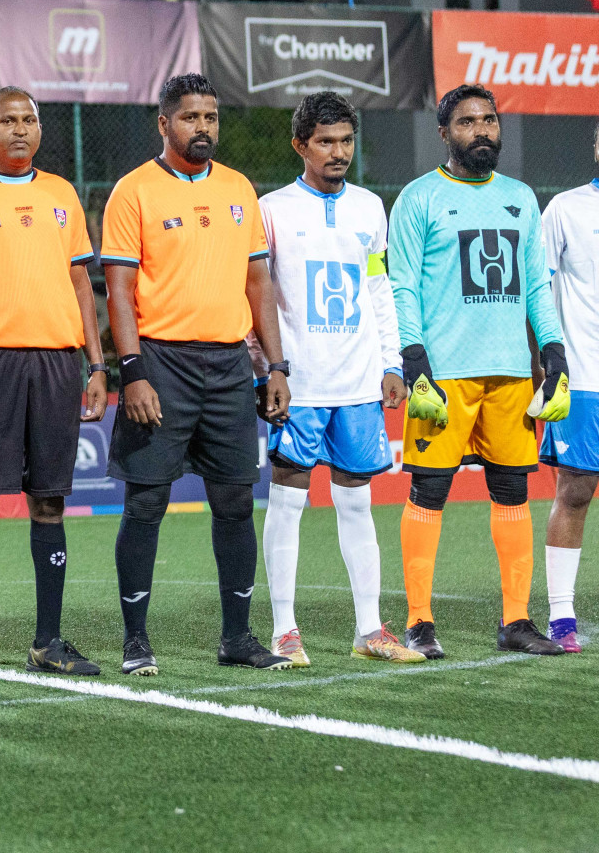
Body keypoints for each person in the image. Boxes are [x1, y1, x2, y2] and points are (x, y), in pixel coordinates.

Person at [100, 73, 293, 676]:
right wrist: (130, 372)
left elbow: (259, 284)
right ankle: (136, 639)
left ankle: (237, 637)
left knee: (235, 500)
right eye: (190, 118)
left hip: (231, 365)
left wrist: (275, 365)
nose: (202, 127)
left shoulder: (239, 188)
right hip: (160, 363)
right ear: (164, 124)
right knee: (147, 502)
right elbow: (120, 289)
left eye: (210, 117)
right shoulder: (133, 192)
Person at [0, 86, 110, 681]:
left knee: (50, 501)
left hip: (58, 364)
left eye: (29, 120)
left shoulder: (62, 194)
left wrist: (97, 363)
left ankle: (48, 641)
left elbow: (83, 285)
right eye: (7, 120)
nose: (19, 129)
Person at [390, 84, 568, 658]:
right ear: (444, 132)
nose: (482, 130)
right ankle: (420, 622)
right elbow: (402, 287)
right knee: (430, 489)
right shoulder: (418, 199)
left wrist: (553, 352)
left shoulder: (521, 196)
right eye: (467, 122)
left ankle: (516, 621)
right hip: (443, 375)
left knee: (513, 488)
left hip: (512, 375)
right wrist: (414, 360)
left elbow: (537, 285)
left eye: (489, 120)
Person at [252, 92, 422, 666]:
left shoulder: (371, 208)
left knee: (357, 504)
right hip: (298, 382)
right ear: (301, 145)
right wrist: (265, 367)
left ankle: (370, 630)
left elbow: (378, 288)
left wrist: (391, 363)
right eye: (325, 141)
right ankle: (283, 630)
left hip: (356, 383)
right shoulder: (271, 208)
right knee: (287, 502)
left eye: (346, 140)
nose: (338, 151)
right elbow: (258, 293)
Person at [537, 124, 599, 652]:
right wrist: (544, 366)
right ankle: (561, 616)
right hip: (585, 378)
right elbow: (539, 290)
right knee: (576, 490)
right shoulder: (566, 209)